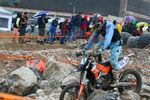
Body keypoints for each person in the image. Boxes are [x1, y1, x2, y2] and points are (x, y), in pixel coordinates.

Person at [80, 15, 122, 86]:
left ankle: (116, 80)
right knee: (96, 47)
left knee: (113, 61)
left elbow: (108, 38)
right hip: (107, 42)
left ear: (101, 22)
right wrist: (85, 49)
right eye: (95, 26)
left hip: (116, 43)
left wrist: (102, 49)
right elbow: (92, 38)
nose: (96, 28)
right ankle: (99, 67)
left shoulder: (109, 25)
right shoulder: (98, 29)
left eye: (97, 25)